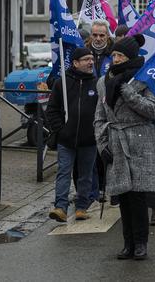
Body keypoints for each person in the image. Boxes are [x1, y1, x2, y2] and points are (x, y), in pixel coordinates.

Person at [94, 34, 155, 260]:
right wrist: (102, 144)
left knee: (138, 195)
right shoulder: (103, 82)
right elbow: (99, 117)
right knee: (123, 195)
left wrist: (127, 92)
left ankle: (141, 243)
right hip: (115, 141)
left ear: (130, 56)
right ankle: (128, 243)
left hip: (140, 140)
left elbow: (153, 110)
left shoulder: (144, 78)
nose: (115, 59)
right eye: (113, 55)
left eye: (120, 55)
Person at [46, 47, 99, 222]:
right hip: (66, 139)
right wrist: (61, 130)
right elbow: (52, 110)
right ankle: (60, 207)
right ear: (76, 63)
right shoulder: (61, 83)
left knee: (85, 174)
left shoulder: (97, 83)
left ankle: (81, 206)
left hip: (89, 139)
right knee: (63, 172)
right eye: (86, 59)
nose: (91, 62)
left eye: (91, 59)